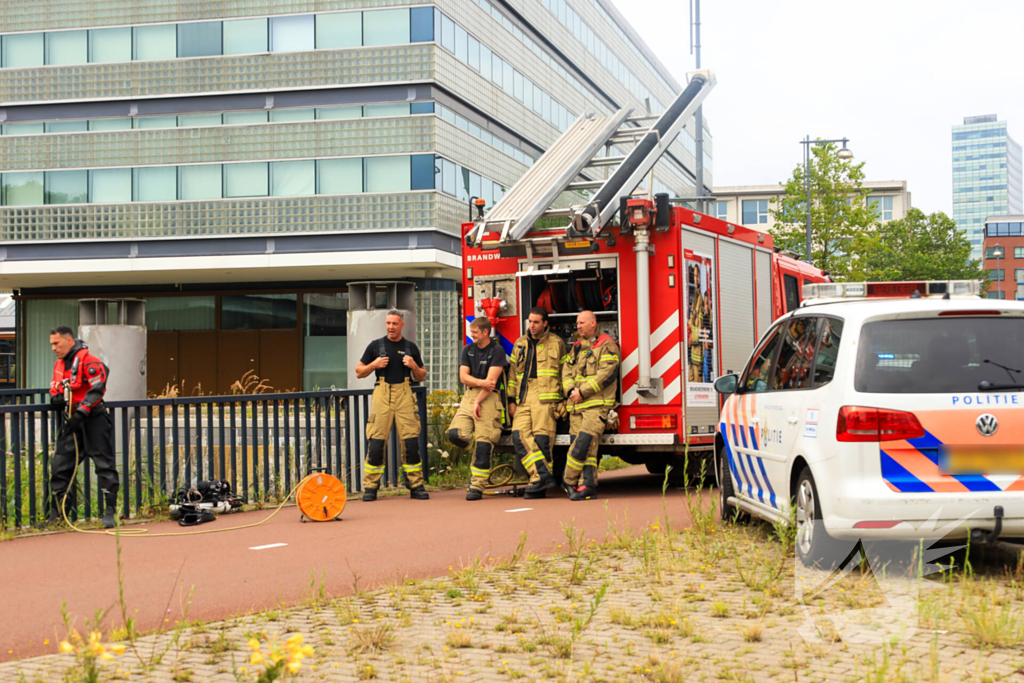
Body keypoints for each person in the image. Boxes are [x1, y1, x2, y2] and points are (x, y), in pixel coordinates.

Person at [47, 326, 118, 528]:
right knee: (60, 465)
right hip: (72, 422)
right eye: (51, 344)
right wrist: (56, 399)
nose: (53, 348)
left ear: (69, 341)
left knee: (104, 466)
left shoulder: (90, 361)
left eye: (56, 343)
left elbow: (98, 387)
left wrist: (82, 411)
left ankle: (111, 512)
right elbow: (55, 386)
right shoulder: (59, 365)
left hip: (93, 420)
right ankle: (59, 515)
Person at [355, 310, 429, 501]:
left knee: (411, 441)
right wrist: (374, 365)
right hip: (382, 392)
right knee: (377, 441)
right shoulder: (376, 346)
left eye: (395, 324)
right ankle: (371, 487)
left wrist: (413, 365)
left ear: (402, 325)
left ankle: (416, 485)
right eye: (388, 323)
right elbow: (359, 372)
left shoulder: (410, 347)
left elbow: (421, 375)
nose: (391, 327)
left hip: (405, 391)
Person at [507, 307, 567, 499]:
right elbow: (512, 374)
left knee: (542, 441)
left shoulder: (557, 343)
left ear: (545, 324)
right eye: (530, 322)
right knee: (518, 436)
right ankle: (543, 475)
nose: (531, 326)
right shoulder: (520, 343)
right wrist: (511, 399)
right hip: (523, 397)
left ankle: (537, 483)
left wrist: (565, 397)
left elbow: (565, 372)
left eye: (536, 322)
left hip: (547, 397)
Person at [446, 317, 508, 501]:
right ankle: (478, 445)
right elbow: (463, 377)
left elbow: (492, 383)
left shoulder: (497, 351)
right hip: (469, 395)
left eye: (474, 332)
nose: (471, 335)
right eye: (471, 331)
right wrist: (479, 384)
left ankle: (477, 486)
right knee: (455, 434)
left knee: (483, 444)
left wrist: (478, 400)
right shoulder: (468, 349)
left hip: (489, 398)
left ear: (485, 332)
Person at [561, 311, 620, 500]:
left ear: (593, 323)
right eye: (577, 323)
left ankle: (568, 481)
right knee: (588, 449)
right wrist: (571, 391)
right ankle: (587, 485)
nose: (578, 326)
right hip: (576, 407)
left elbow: (606, 374)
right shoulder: (576, 347)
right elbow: (566, 372)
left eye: (582, 322)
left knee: (582, 445)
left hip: (597, 406)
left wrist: (581, 392)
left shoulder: (607, 345)